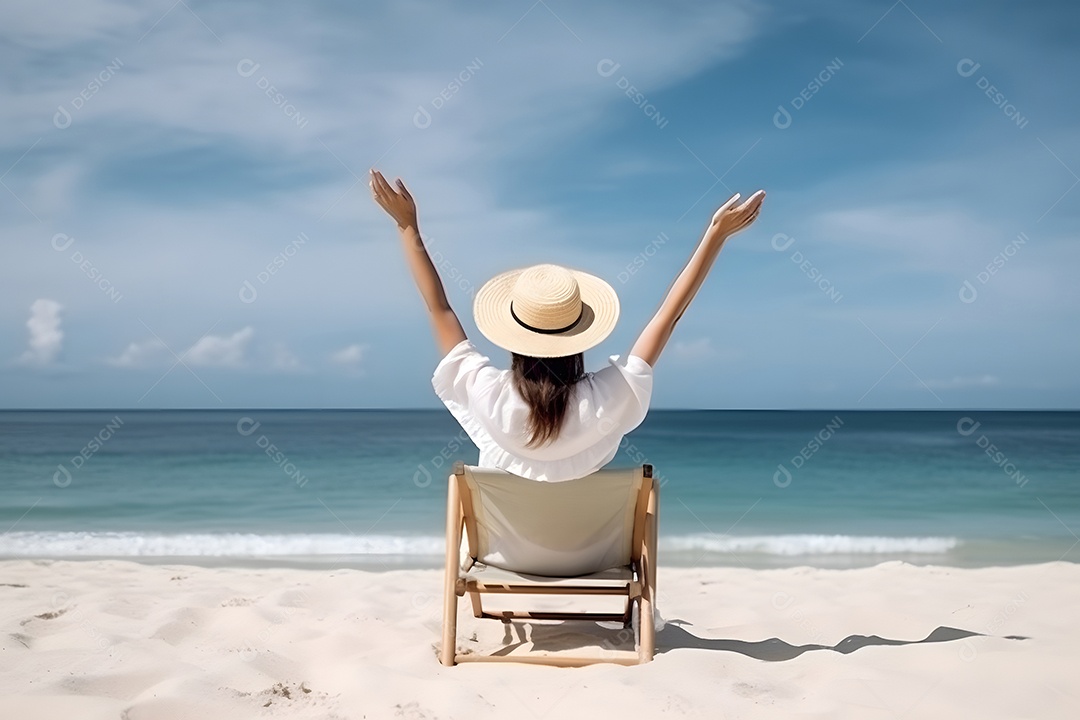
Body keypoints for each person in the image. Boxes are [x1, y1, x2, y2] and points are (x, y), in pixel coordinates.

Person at [369, 168, 765, 482]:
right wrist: (715, 236)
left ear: (514, 334)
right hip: (591, 562)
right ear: (578, 336)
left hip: (503, 559)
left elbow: (439, 309)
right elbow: (668, 315)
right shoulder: (612, 397)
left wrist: (408, 226)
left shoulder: (485, 393)